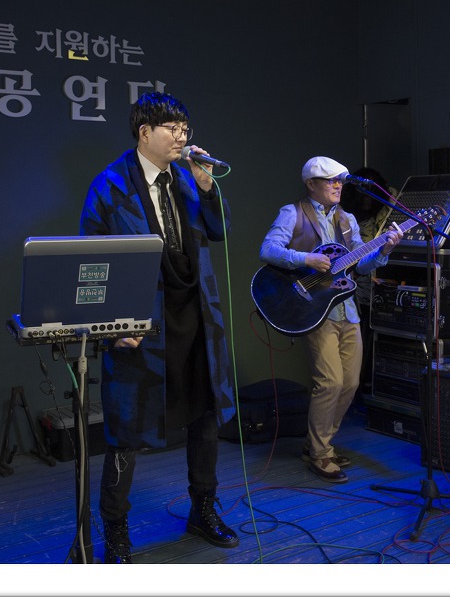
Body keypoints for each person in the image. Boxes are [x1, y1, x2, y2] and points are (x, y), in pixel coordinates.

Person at [79, 91, 238, 563]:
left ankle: (203, 508)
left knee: (205, 418)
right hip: (141, 324)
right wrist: (109, 327)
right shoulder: (109, 185)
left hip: (195, 317)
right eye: (173, 129)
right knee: (126, 431)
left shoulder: (188, 178)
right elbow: (91, 264)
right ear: (144, 132)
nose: (182, 137)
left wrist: (207, 187)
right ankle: (116, 531)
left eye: (185, 129)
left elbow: (219, 231)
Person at [259, 156, 402, 482]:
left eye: (340, 180)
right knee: (330, 382)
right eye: (330, 180)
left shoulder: (347, 219)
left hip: (346, 308)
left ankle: (317, 443)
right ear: (311, 184)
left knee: (350, 383)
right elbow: (268, 250)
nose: (338, 186)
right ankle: (321, 453)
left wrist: (384, 251)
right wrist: (306, 259)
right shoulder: (292, 213)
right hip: (314, 309)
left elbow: (361, 264)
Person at [338, 167, 396, 403]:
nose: (366, 199)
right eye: (362, 194)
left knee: (371, 341)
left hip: (377, 277)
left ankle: (368, 389)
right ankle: (358, 394)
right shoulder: (346, 215)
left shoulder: (385, 206)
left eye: (369, 193)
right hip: (354, 288)